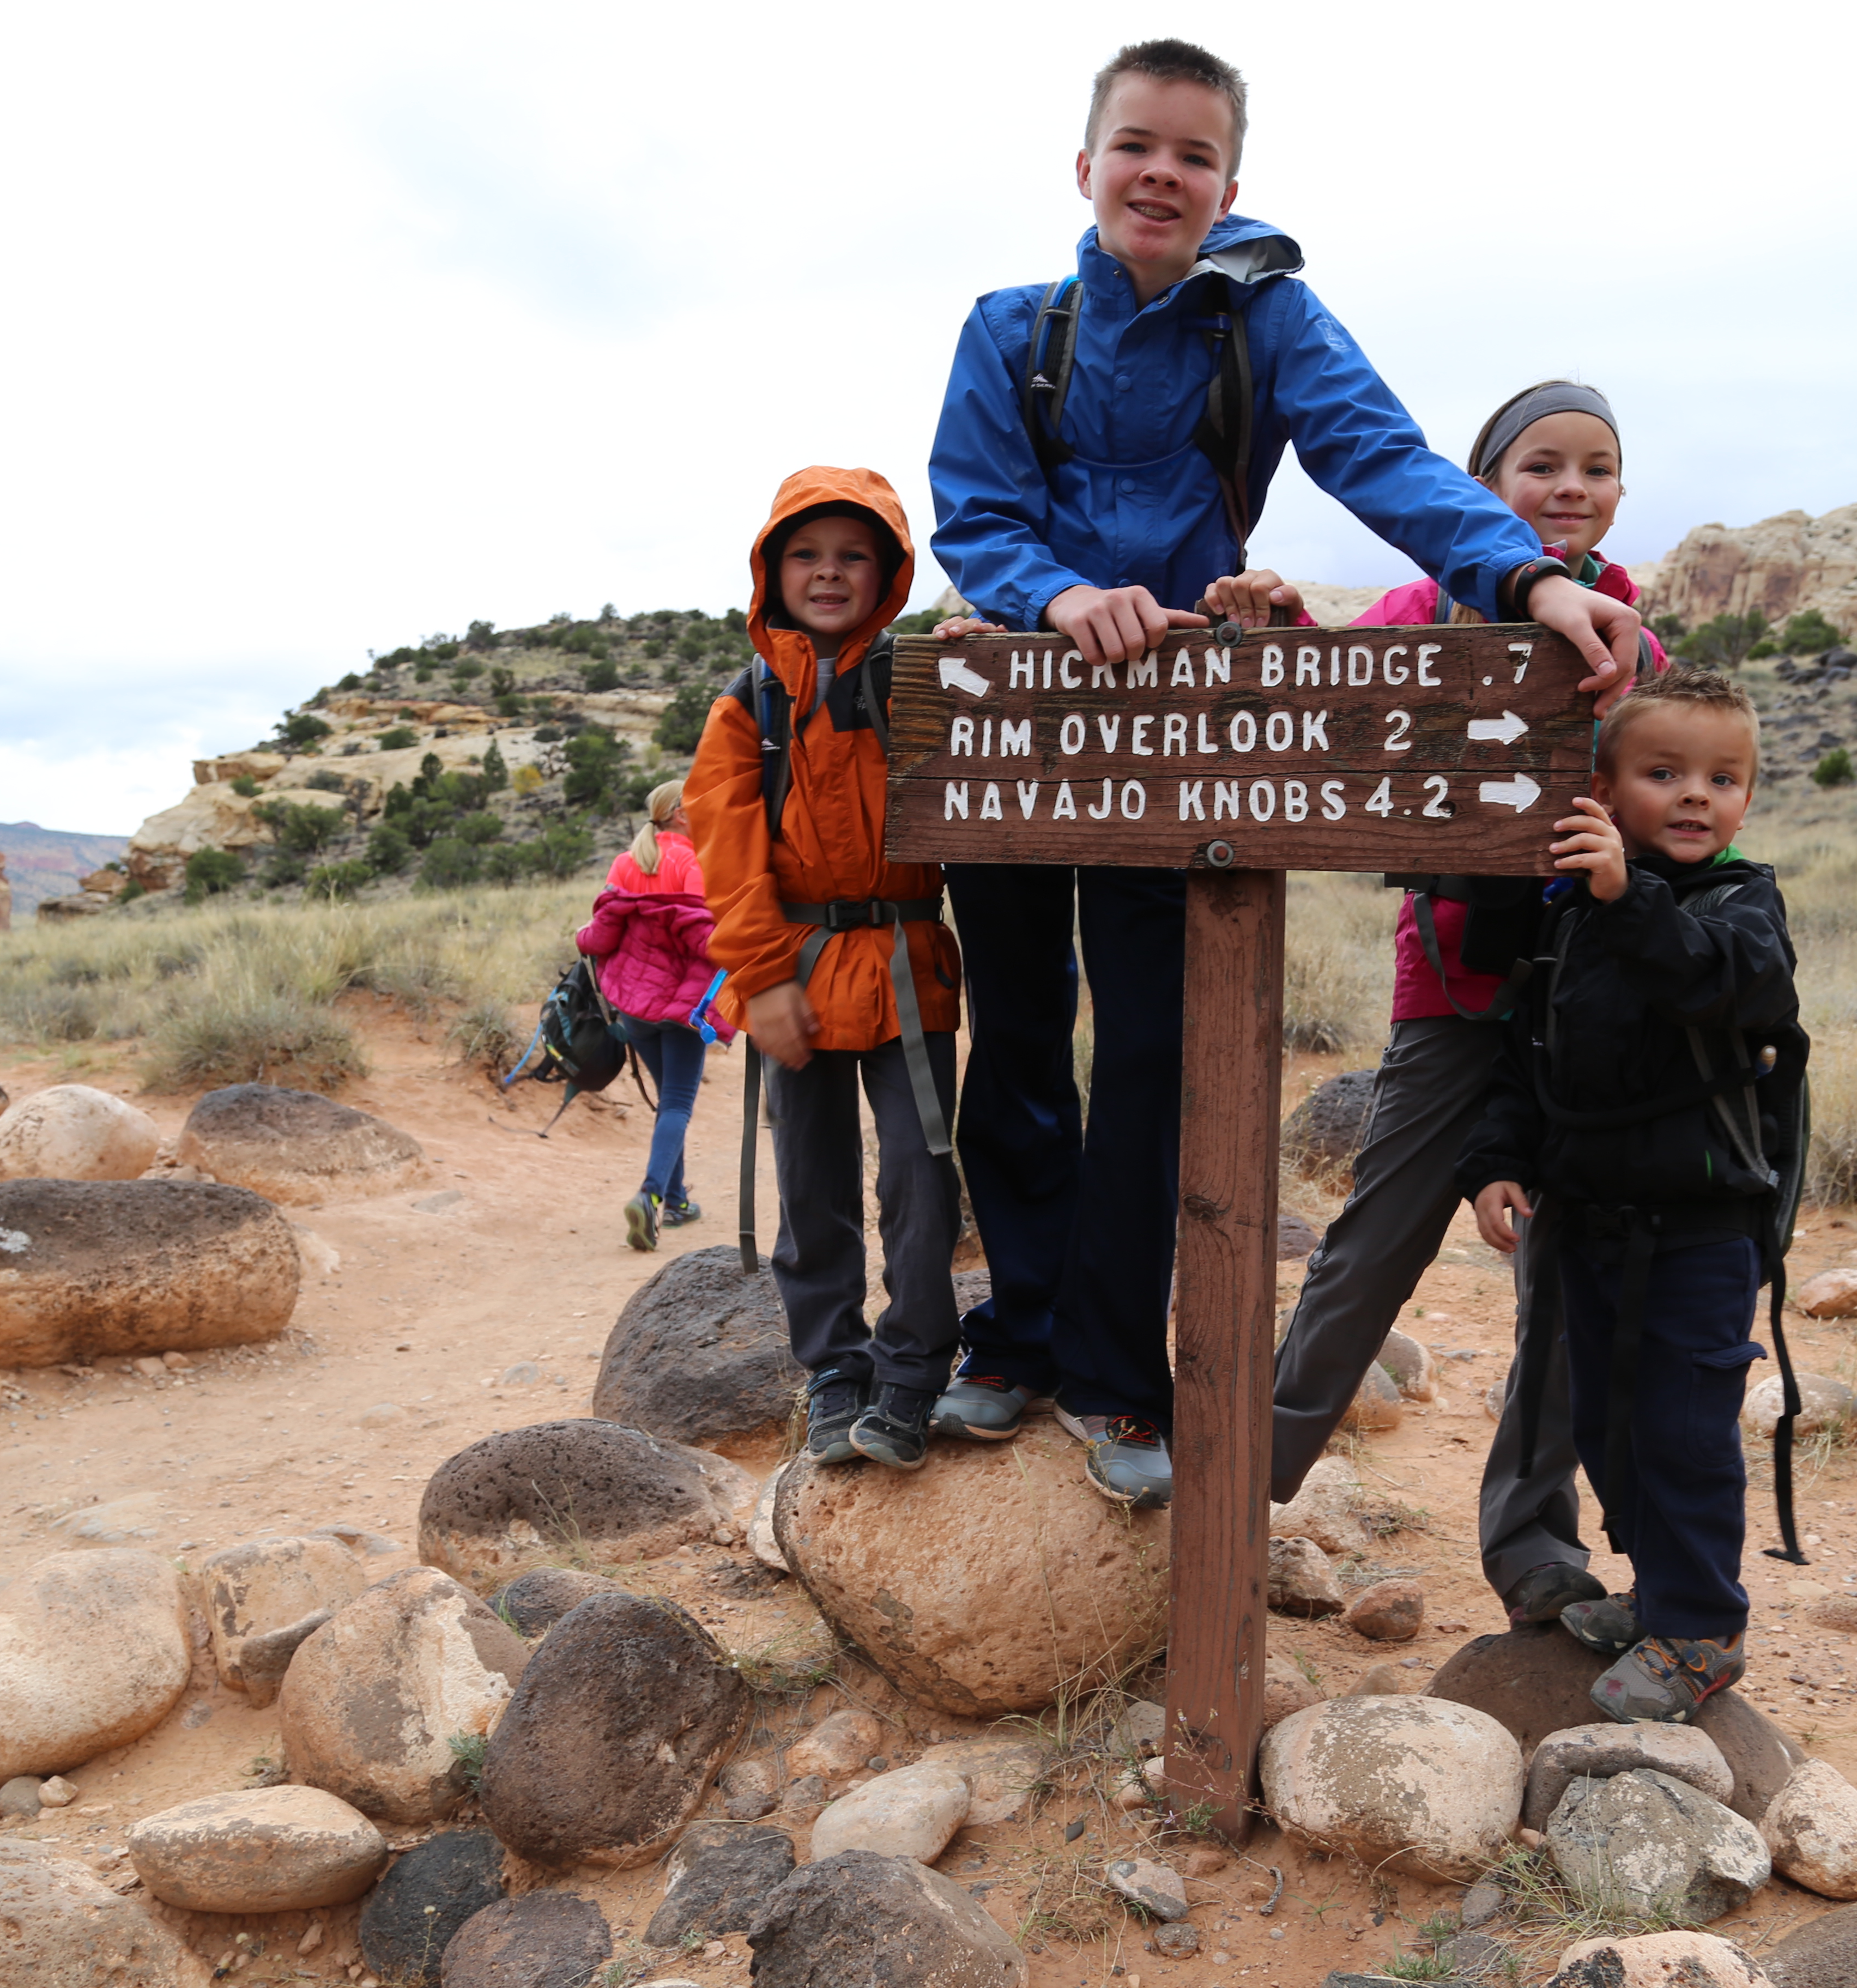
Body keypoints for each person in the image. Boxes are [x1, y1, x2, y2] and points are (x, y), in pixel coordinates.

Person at [923, 39, 1642, 1511]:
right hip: (1016, 724)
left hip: (1179, 738)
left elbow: (1382, 456)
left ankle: (1118, 1375)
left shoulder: (1269, 322)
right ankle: (1013, 1340)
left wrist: (1523, 580)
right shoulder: (1010, 327)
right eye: (1137, 147)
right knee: (1013, 1044)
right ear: (1087, 167)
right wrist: (1059, 596)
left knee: (1143, 1062)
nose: (1161, 175)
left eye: (1192, 156)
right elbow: (976, 511)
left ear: (1229, 184)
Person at [1241, 381, 1667, 1637]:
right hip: (1449, 991)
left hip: (1574, 1001)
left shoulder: (1625, 630)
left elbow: (1662, 787)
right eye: (1539, 465)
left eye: (1595, 467)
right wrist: (1273, 623)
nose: (1568, 488)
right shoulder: (1427, 606)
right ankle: (1242, 1479)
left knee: (1559, 1265)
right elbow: (1330, 682)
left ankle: (1533, 1544)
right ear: (1481, 487)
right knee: (1375, 1240)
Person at [1457, 666, 1804, 1722]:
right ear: (1602, 792)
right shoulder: (1567, 918)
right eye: (1666, 773)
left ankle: (1701, 1631)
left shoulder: (1741, 902)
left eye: (1725, 778)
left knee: (1685, 1432)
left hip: (1702, 1232)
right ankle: (1658, 1596)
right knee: (1606, 1421)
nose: (1699, 797)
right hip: (1589, 1222)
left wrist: (1629, 894)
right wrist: (1495, 1160)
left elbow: (1726, 983)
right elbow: (1527, 1057)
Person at [686, 468, 963, 1472]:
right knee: (811, 1184)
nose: (829, 573)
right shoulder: (746, 708)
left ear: (888, 574)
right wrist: (760, 978)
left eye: (853, 555)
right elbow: (727, 851)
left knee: (920, 1179)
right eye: (807, 555)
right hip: (791, 969)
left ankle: (911, 1374)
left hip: (903, 962)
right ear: (773, 572)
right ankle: (834, 1370)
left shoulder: (921, 677)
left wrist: (982, 666)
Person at [573, 779, 719, 1251]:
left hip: (634, 1007)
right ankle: (651, 1195)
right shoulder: (695, 865)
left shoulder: (625, 862)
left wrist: (581, 936)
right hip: (682, 1007)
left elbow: (597, 940)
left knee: (666, 1101)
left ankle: (676, 1200)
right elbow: (708, 942)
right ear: (679, 813)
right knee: (676, 1103)